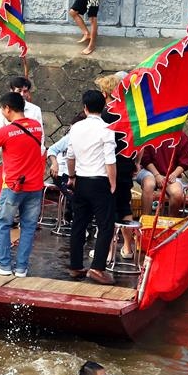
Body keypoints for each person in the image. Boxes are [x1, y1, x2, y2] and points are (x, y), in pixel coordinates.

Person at [0, 91, 44, 278]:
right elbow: (20, 137)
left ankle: (4, 265)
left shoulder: (6, 131)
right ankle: (21, 268)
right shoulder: (36, 126)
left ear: (7, 109)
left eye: (2, 109)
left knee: (4, 224)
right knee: (28, 227)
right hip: (35, 185)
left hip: (13, 186)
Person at [58, 89, 119, 282]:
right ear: (103, 107)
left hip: (81, 180)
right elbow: (110, 160)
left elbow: (70, 155)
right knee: (106, 225)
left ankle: (76, 266)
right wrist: (113, 183)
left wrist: (72, 177)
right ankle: (97, 268)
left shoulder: (76, 128)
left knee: (79, 224)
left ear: (85, 108)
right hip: (100, 181)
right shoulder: (107, 129)